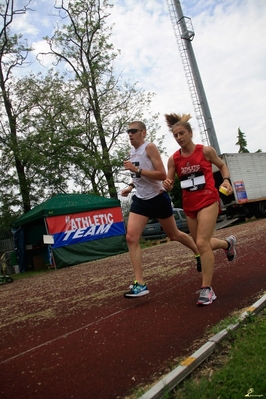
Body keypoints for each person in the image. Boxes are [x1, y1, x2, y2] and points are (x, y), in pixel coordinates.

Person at [121, 120, 201, 298]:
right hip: (141, 200)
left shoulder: (149, 147)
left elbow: (161, 174)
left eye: (134, 131)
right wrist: (130, 186)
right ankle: (140, 283)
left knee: (174, 235)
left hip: (158, 198)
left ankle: (198, 252)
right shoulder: (131, 152)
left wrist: (137, 169)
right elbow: (138, 176)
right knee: (131, 238)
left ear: (143, 132)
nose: (130, 134)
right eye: (128, 132)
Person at [163, 113, 236, 306]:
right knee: (200, 244)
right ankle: (228, 245)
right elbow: (169, 182)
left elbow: (222, 166)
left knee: (202, 243)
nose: (179, 138)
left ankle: (207, 290)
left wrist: (226, 180)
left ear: (190, 133)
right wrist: (168, 184)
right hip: (189, 205)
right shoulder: (174, 159)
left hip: (208, 200)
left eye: (181, 134)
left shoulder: (205, 151)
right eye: (175, 136)